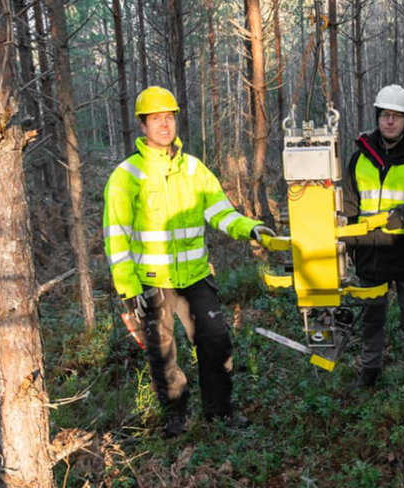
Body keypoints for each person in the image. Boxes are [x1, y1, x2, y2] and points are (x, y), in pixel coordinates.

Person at [103, 86, 275, 438]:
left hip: (196, 276)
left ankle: (220, 411)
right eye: (156, 119)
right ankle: (176, 417)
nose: (165, 125)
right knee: (163, 355)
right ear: (143, 126)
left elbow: (220, 212)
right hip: (154, 281)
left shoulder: (194, 169)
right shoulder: (127, 175)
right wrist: (128, 291)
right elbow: (116, 238)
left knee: (216, 341)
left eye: (169, 117)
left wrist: (251, 228)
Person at [341, 84, 404, 387]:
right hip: (371, 252)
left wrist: (403, 217)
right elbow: (349, 203)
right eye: (385, 115)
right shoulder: (360, 156)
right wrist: (347, 241)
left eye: (397, 116)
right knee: (371, 318)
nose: (390, 121)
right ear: (377, 116)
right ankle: (369, 372)